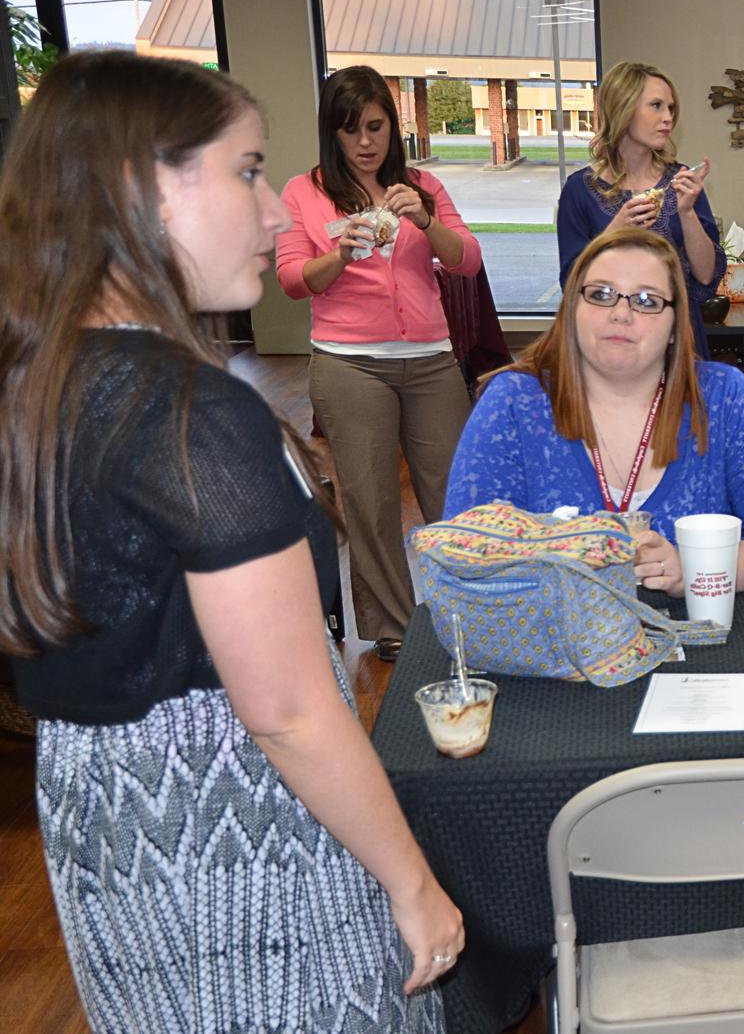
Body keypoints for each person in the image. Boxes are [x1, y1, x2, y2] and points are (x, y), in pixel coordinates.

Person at [0, 51, 460, 1032]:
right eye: (246, 171)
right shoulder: (190, 413)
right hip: (236, 830)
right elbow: (289, 708)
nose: (267, 211)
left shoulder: (43, 380)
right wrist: (412, 882)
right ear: (138, 188)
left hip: (105, 819)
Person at [444, 228, 744, 593]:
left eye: (647, 301)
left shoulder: (725, 399)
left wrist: (696, 567)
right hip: (552, 652)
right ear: (572, 308)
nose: (621, 314)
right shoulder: (513, 404)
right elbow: (463, 553)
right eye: (601, 294)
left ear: (676, 324)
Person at [274, 65, 480, 662]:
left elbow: (466, 260)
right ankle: (393, 629)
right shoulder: (302, 192)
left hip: (431, 360)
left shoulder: (422, 186)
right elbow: (292, 281)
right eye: (349, 130)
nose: (365, 142)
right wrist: (339, 253)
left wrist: (425, 221)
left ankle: (467, 612)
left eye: (375, 126)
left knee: (455, 493)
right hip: (348, 364)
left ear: (393, 125)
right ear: (330, 134)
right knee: (370, 502)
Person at [556, 60, 722, 359]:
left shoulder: (682, 182)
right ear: (623, 109)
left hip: (679, 344)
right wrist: (615, 231)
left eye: (671, 108)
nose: (668, 118)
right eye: (656, 106)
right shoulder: (579, 191)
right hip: (610, 346)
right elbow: (572, 284)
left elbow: (706, 275)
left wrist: (686, 213)